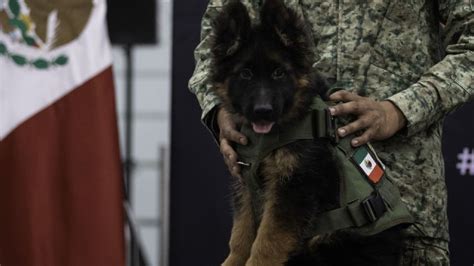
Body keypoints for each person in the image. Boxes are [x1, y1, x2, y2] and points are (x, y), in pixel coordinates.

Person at [189, 0, 474, 264]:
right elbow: (215, 45)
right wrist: (220, 110)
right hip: (276, 226)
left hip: (399, 216)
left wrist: (399, 110)